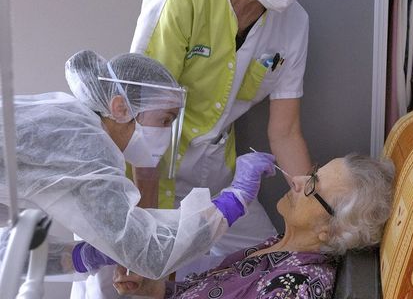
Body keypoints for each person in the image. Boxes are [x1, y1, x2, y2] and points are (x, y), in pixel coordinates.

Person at [128, 0, 350, 278]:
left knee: (267, 261)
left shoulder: (295, 24)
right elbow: (146, 122)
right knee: (146, 272)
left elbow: (285, 131)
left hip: (218, 170)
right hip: (150, 168)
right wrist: (145, 223)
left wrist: (313, 205)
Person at [0, 50, 275, 286]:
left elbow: (5, 253)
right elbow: (152, 254)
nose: (166, 135)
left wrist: (83, 257)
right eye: (165, 120)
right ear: (120, 108)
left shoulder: (67, 121)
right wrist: (234, 199)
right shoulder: (86, 146)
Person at [112, 154, 395, 299]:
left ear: (330, 230)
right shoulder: (275, 247)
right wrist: (153, 288)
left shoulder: (296, 287)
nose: (296, 179)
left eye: (311, 186)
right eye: (310, 174)